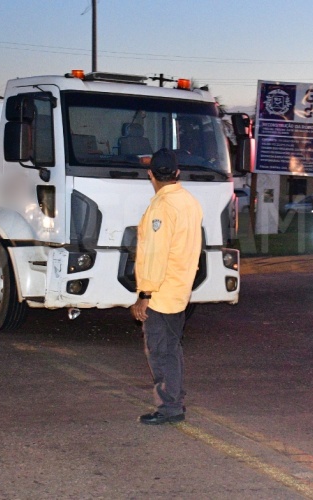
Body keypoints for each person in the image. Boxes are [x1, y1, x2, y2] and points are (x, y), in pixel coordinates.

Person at [130, 148, 203, 425]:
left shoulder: (161, 207)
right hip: (180, 290)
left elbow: (155, 254)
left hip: (161, 294)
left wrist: (144, 294)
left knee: (161, 352)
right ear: (177, 173)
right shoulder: (189, 202)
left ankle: (169, 407)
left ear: (150, 174)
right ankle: (175, 399)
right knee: (172, 349)